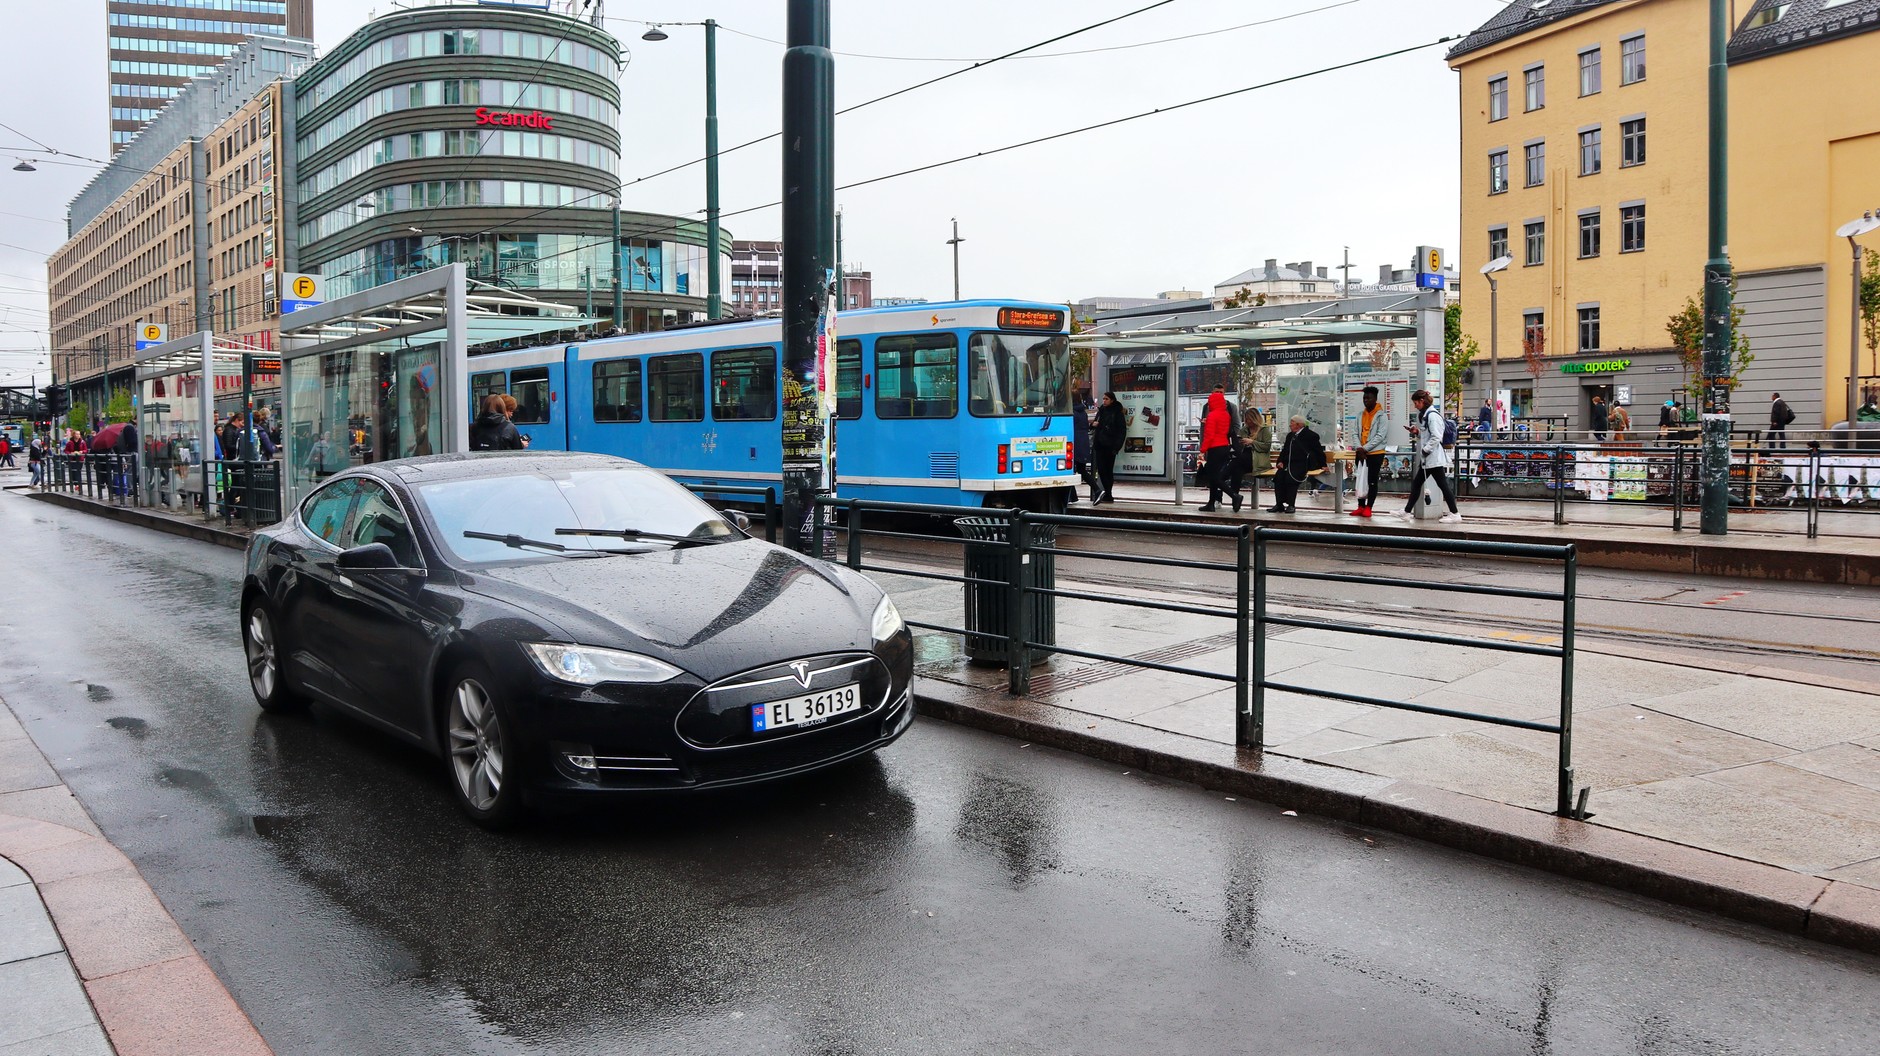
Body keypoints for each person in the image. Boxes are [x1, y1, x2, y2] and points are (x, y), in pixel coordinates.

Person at [1397, 389, 1462, 524]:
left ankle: (1455, 513)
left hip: (1432, 458)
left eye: (1416, 403)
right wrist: (1417, 432)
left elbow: (1436, 436)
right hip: (1429, 458)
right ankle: (1407, 511)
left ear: (1422, 401)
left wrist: (1426, 449)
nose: (1415, 406)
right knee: (1420, 484)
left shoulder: (1432, 415)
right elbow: (1428, 434)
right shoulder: (1428, 415)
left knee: (1440, 485)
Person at [1268, 415, 1325, 514]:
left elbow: (1318, 451)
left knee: (1291, 477)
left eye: (1292, 422)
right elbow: (1284, 451)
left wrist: (1323, 464)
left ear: (1298, 425)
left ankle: (1291, 505)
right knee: (1279, 477)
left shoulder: (1311, 435)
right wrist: (1280, 461)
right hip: (1288, 463)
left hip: (1302, 463)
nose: (1290, 425)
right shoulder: (1290, 436)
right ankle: (1279, 504)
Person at [1197, 388, 1241, 512]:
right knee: (1214, 476)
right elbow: (1222, 430)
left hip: (1215, 449)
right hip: (1225, 447)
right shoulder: (1225, 414)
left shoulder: (1212, 415)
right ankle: (1211, 503)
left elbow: (1209, 436)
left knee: (1214, 477)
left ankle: (1234, 496)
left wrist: (1202, 450)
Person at [1349, 385, 1389, 518]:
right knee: (1360, 478)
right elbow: (1355, 433)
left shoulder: (1382, 416)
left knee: (1372, 480)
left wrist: (1364, 448)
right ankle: (1360, 506)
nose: (1366, 400)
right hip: (1360, 452)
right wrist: (1359, 448)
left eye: (1369, 398)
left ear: (1375, 399)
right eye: (1364, 398)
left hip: (1375, 453)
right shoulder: (1360, 415)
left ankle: (1369, 507)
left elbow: (1380, 436)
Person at [1092, 392, 1125, 504]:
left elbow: (1121, 431)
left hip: (1110, 446)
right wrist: (1093, 425)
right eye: (1103, 399)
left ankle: (1108, 493)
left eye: (1106, 399)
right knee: (1101, 470)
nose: (1104, 401)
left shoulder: (1117, 413)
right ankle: (1107, 492)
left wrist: (1116, 447)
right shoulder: (1101, 411)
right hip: (1100, 444)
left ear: (1112, 400)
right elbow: (1095, 424)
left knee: (1108, 470)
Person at [1070, 392, 1096, 504]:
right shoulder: (1082, 412)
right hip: (1083, 443)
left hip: (1075, 444)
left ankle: (1097, 490)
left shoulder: (1072, 413)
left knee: (1070, 471)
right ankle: (1073, 496)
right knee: (1081, 470)